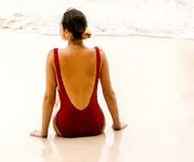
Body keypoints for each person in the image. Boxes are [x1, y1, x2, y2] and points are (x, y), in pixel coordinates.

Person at [30, 8, 126, 139]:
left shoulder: (54, 56)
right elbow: (109, 94)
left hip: (66, 127)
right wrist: (117, 124)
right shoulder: (99, 54)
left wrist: (43, 133)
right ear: (84, 29)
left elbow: (48, 98)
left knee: (58, 98)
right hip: (95, 125)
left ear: (66, 32)